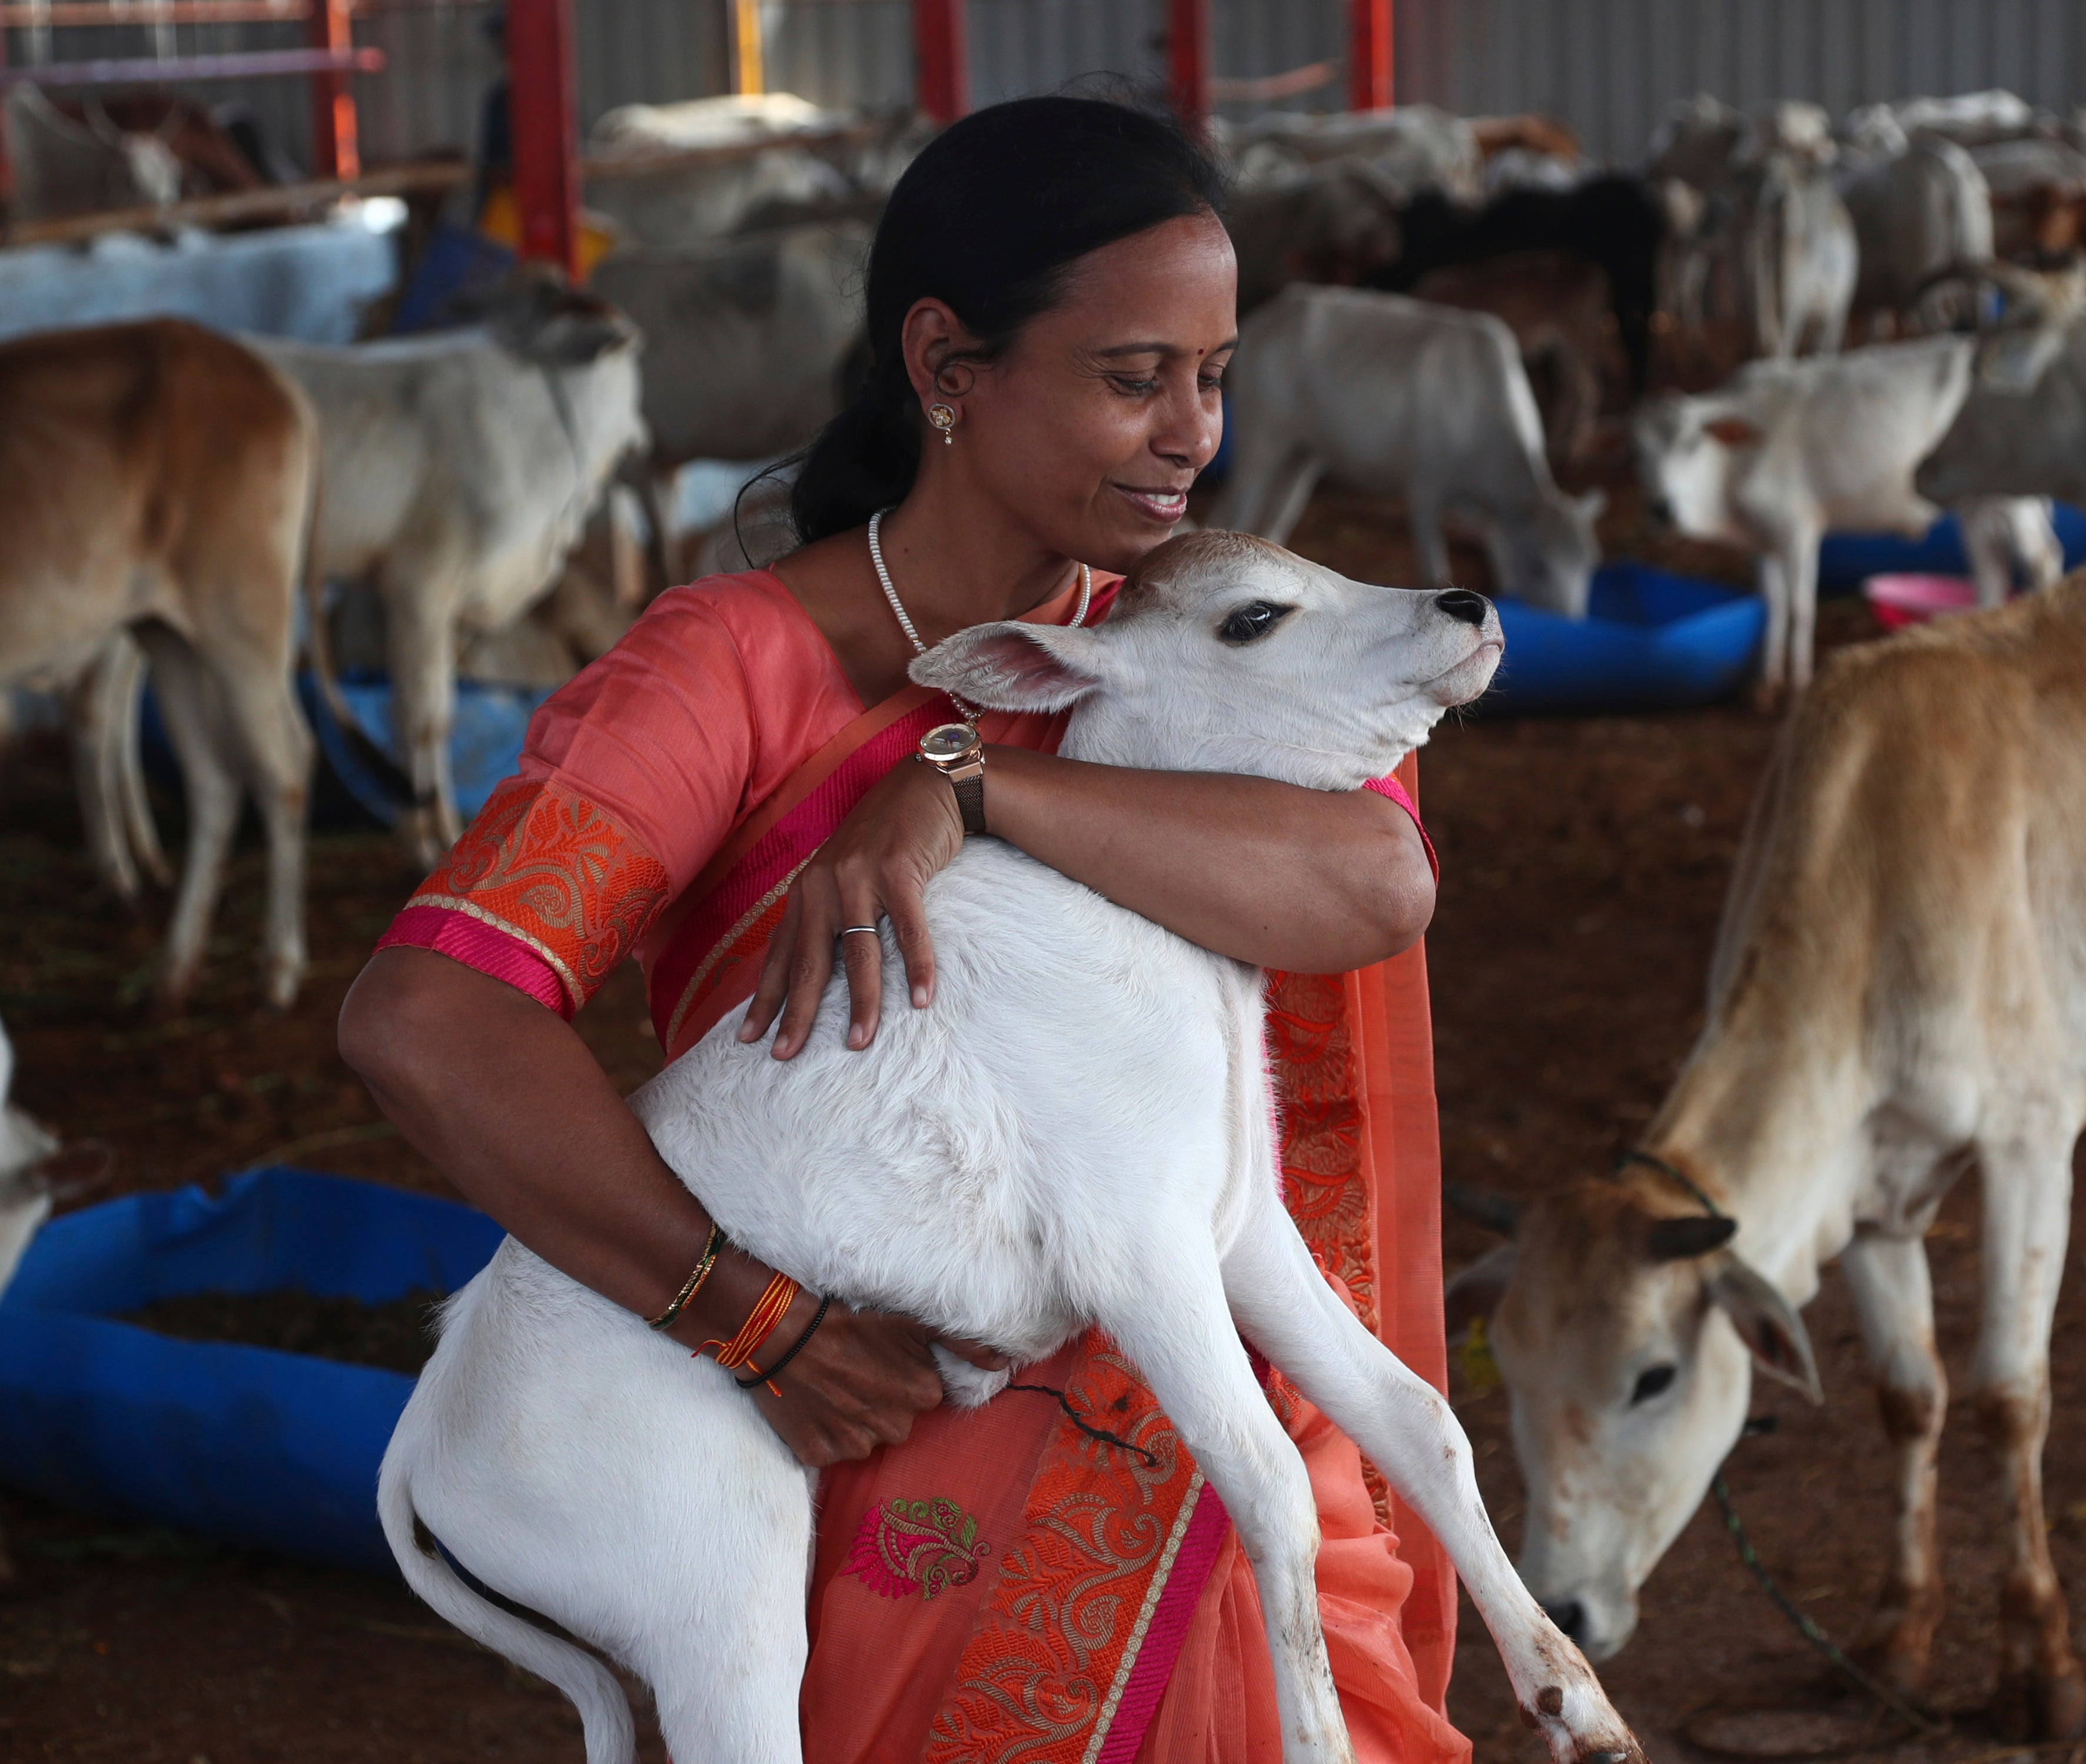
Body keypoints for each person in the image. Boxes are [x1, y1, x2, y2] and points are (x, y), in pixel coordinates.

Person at [340, 96, 1469, 1763]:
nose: (1192, 437)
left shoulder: (1194, 635)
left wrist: (972, 793)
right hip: (867, 1438)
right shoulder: (728, 672)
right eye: (1132, 375)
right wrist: (747, 1315)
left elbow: (1372, 886)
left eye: (1213, 377)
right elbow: (425, 1019)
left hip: (1198, 1461)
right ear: (947, 364)